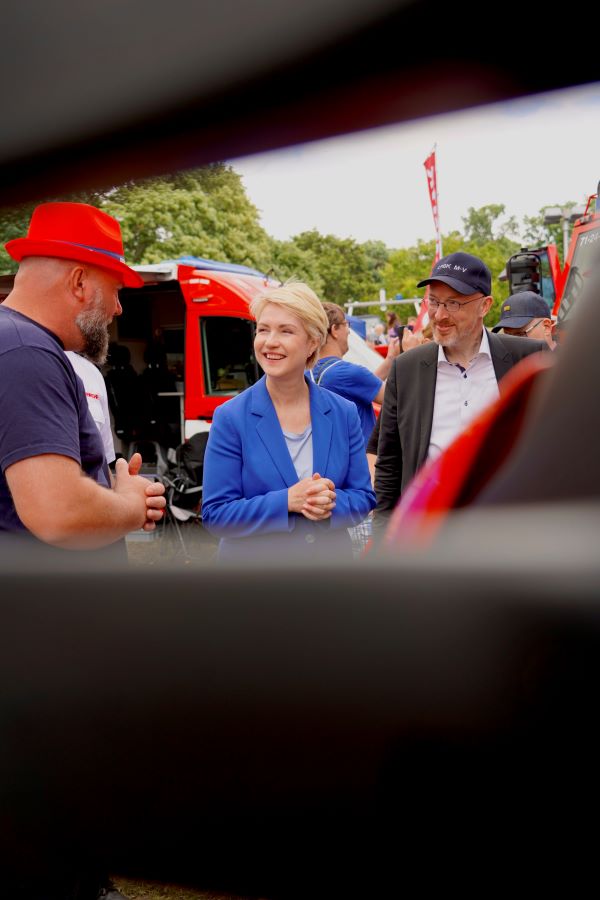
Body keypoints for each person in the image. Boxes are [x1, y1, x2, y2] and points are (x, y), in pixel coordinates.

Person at [202, 282, 375, 562]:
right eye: (263, 329)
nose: (270, 341)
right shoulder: (230, 417)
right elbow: (216, 515)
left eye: (286, 331)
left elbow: (363, 497)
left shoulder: (344, 413)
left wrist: (331, 504)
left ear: (312, 342)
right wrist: (287, 502)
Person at [374, 251, 548, 522]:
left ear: (485, 305)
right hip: (429, 533)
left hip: (509, 530)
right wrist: (383, 538)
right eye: (433, 302)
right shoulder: (406, 369)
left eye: (454, 304)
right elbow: (389, 462)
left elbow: (550, 447)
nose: (439, 315)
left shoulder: (527, 357)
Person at [309, 302, 400, 448]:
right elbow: (400, 399)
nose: (349, 331)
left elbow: (364, 386)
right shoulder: (348, 373)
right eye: (346, 324)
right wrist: (412, 357)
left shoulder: (308, 373)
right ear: (334, 330)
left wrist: (390, 360)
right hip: (362, 463)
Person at [66, 350, 116, 471]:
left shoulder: (92, 372)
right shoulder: (26, 365)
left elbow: (103, 458)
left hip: (93, 484)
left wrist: (118, 489)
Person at [491, 290, 557, 350]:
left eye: (519, 334)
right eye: (507, 336)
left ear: (546, 327)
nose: (512, 343)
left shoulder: (566, 361)